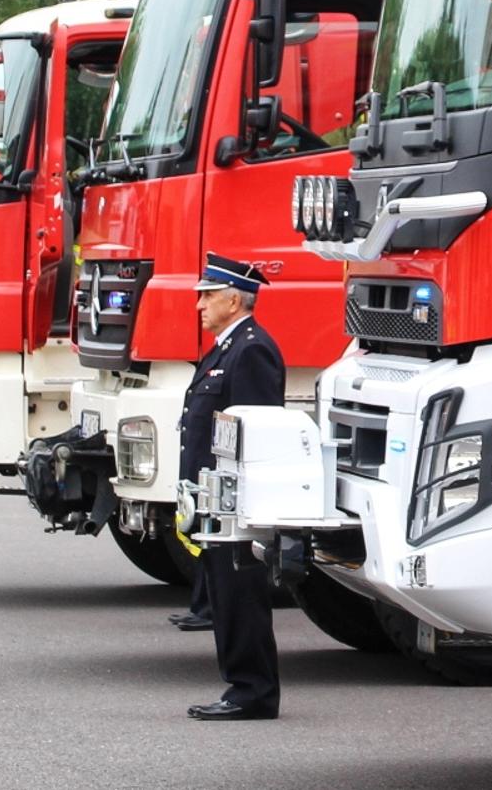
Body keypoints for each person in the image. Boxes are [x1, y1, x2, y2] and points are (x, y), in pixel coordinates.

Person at [181, 253, 287, 722]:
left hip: (235, 501)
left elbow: (254, 430)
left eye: (207, 295)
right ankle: (241, 688)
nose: (199, 304)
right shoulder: (228, 347)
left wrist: (242, 501)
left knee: (241, 596)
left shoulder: (251, 350)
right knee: (224, 596)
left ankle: (254, 692)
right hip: (214, 497)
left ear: (232, 298)